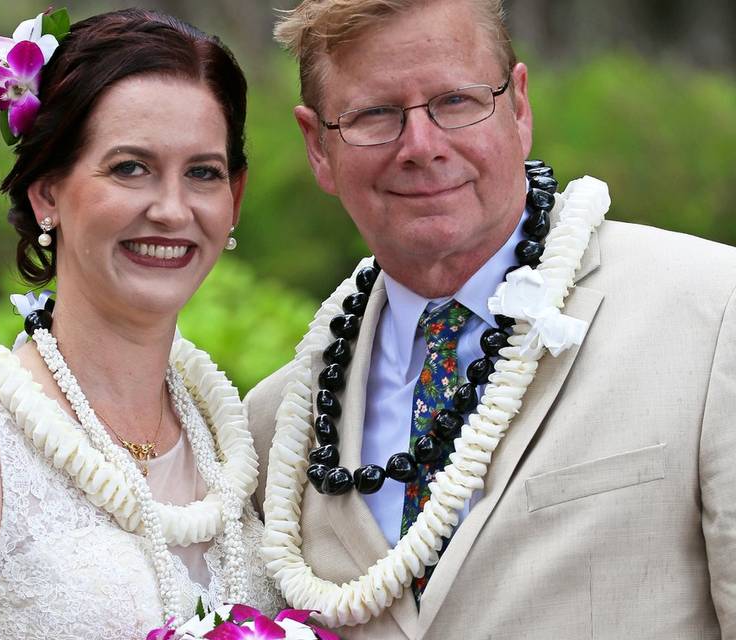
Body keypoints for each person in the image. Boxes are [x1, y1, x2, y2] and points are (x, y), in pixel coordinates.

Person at [248, 0, 736, 638]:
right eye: (375, 114)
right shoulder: (280, 425)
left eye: (455, 100)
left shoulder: (712, 311)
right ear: (317, 146)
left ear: (520, 105)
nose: (421, 147)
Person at [0, 8, 283, 639]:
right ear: (47, 192)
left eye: (202, 174)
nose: (171, 209)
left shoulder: (237, 438)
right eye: (130, 168)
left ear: (233, 199)